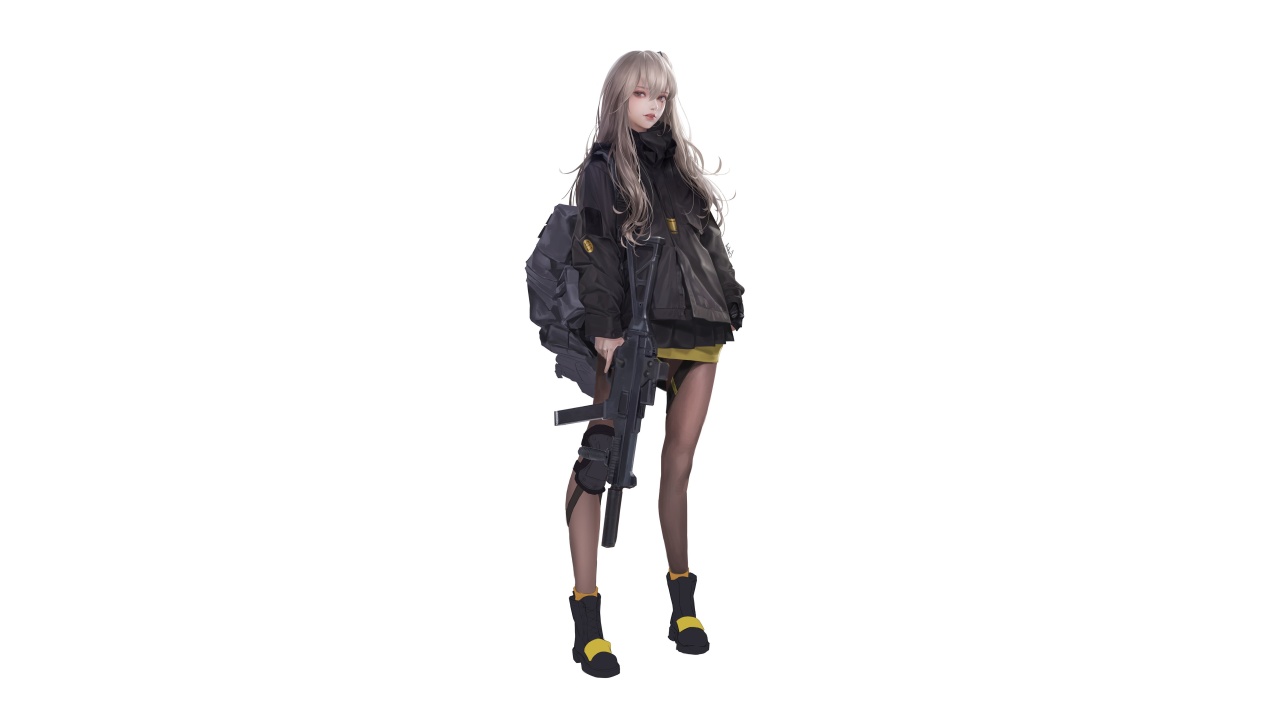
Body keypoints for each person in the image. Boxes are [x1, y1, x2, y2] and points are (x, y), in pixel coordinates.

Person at [562, 50, 745, 679]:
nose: (654, 106)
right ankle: (587, 621)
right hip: (632, 333)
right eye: (642, 94)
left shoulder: (681, 170)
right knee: (597, 463)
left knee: (679, 465)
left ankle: (682, 606)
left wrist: (730, 296)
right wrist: (604, 328)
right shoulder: (603, 169)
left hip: (698, 328)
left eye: (661, 96)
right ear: (621, 97)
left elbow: (708, 241)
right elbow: (595, 250)